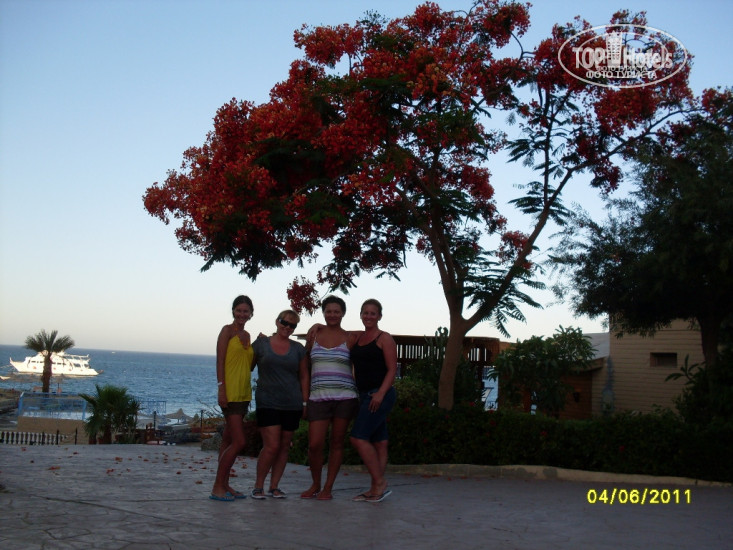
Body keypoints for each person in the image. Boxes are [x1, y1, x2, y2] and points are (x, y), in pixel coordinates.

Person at [300, 295, 359, 501]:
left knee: (336, 443)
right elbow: (304, 369)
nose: (332, 315)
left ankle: (328, 487)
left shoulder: (351, 338)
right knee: (315, 445)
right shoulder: (313, 336)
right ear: (323, 313)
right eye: (328, 311)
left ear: (343, 313)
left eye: (337, 311)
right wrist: (305, 399)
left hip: (345, 398)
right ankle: (315, 483)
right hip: (318, 397)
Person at [249, 310, 309, 500]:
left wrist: (305, 401)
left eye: (292, 325)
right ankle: (258, 486)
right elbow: (248, 366)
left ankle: (274, 486)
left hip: (292, 403)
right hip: (268, 401)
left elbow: (304, 376)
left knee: (284, 446)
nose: (287, 327)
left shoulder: (298, 349)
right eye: (285, 322)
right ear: (277, 321)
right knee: (272, 445)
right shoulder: (261, 344)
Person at [349, 298, 398, 503]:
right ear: (361, 315)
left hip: (379, 394)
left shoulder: (384, 338)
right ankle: (375, 489)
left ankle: (379, 483)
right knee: (379, 442)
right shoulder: (358, 337)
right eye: (365, 312)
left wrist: (380, 394)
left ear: (379, 316)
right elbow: (337, 331)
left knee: (358, 437)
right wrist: (317, 326)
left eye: (373, 313)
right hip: (364, 394)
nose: (368, 316)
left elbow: (392, 369)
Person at [210, 295, 254, 501]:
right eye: (239, 310)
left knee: (228, 439)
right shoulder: (226, 331)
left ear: (251, 314)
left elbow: (247, 365)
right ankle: (217, 487)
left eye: (246, 311)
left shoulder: (247, 335)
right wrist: (221, 389)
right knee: (239, 441)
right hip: (231, 393)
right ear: (233, 311)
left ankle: (225, 485)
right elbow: (220, 362)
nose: (242, 314)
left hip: (244, 393)